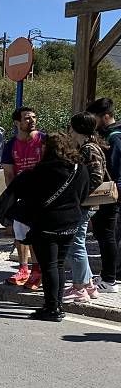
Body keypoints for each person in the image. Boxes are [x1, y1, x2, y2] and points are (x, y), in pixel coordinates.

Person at [2, 133, 89, 321]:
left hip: (46, 225)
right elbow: (83, 195)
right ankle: (57, 305)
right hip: (71, 223)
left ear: (47, 149)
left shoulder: (40, 172)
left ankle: (51, 308)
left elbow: (21, 194)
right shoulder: (79, 169)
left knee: (49, 266)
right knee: (58, 265)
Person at [62, 112, 107, 303]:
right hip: (84, 203)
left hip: (83, 204)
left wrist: (79, 195)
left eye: (71, 127)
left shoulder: (89, 149)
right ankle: (88, 285)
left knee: (76, 244)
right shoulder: (88, 147)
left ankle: (79, 288)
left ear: (77, 128)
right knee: (77, 243)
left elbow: (96, 176)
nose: (69, 131)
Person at [1, 106, 45, 288]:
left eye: (34, 117)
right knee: (20, 233)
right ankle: (23, 269)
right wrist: (13, 198)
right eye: (27, 118)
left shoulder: (44, 140)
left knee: (37, 235)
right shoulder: (10, 145)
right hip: (22, 197)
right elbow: (9, 174)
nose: (32, 120)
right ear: (17, 122)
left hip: (43, 196)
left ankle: (37, 271)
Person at [86, 97, 121, 294]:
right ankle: (109, 275)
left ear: (105, 116)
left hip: (112, 193)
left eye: (95, 117)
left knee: (108, 235)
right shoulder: (110, 135)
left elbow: (115, 170)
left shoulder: (114, 137)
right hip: (112, 193)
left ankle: (109, 279)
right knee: (106, 234)